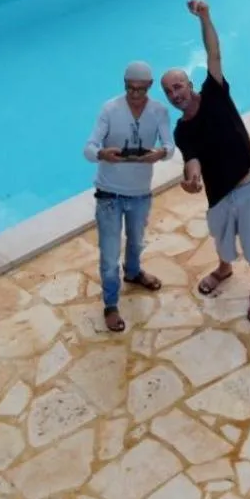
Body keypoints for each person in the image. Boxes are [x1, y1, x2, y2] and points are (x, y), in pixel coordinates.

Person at [162, 0, 250, 322]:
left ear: (189, 84)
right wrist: (191, 179)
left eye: (178, 86)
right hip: (218, 194)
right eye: (168, 92)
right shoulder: (182, 130)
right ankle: (225, 268)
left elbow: (213, 52)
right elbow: (192, 160)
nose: (175, 94)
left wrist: (205, 17)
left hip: (247, 184)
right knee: (223, 241)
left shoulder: (214, 92)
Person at [83, 60, 174, 333]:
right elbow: (88, 148)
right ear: (124, 85)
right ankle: (111, 303)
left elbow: (169, 146)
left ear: (149, 86)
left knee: (136, 241)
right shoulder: (110, 109)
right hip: (109, 194)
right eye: (130, 88)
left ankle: (133, 273)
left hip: (140, 194)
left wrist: (160, 153)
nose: (134, 94)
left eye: (140, 89)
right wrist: (102, 153)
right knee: (109, 254)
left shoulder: (159, 111)